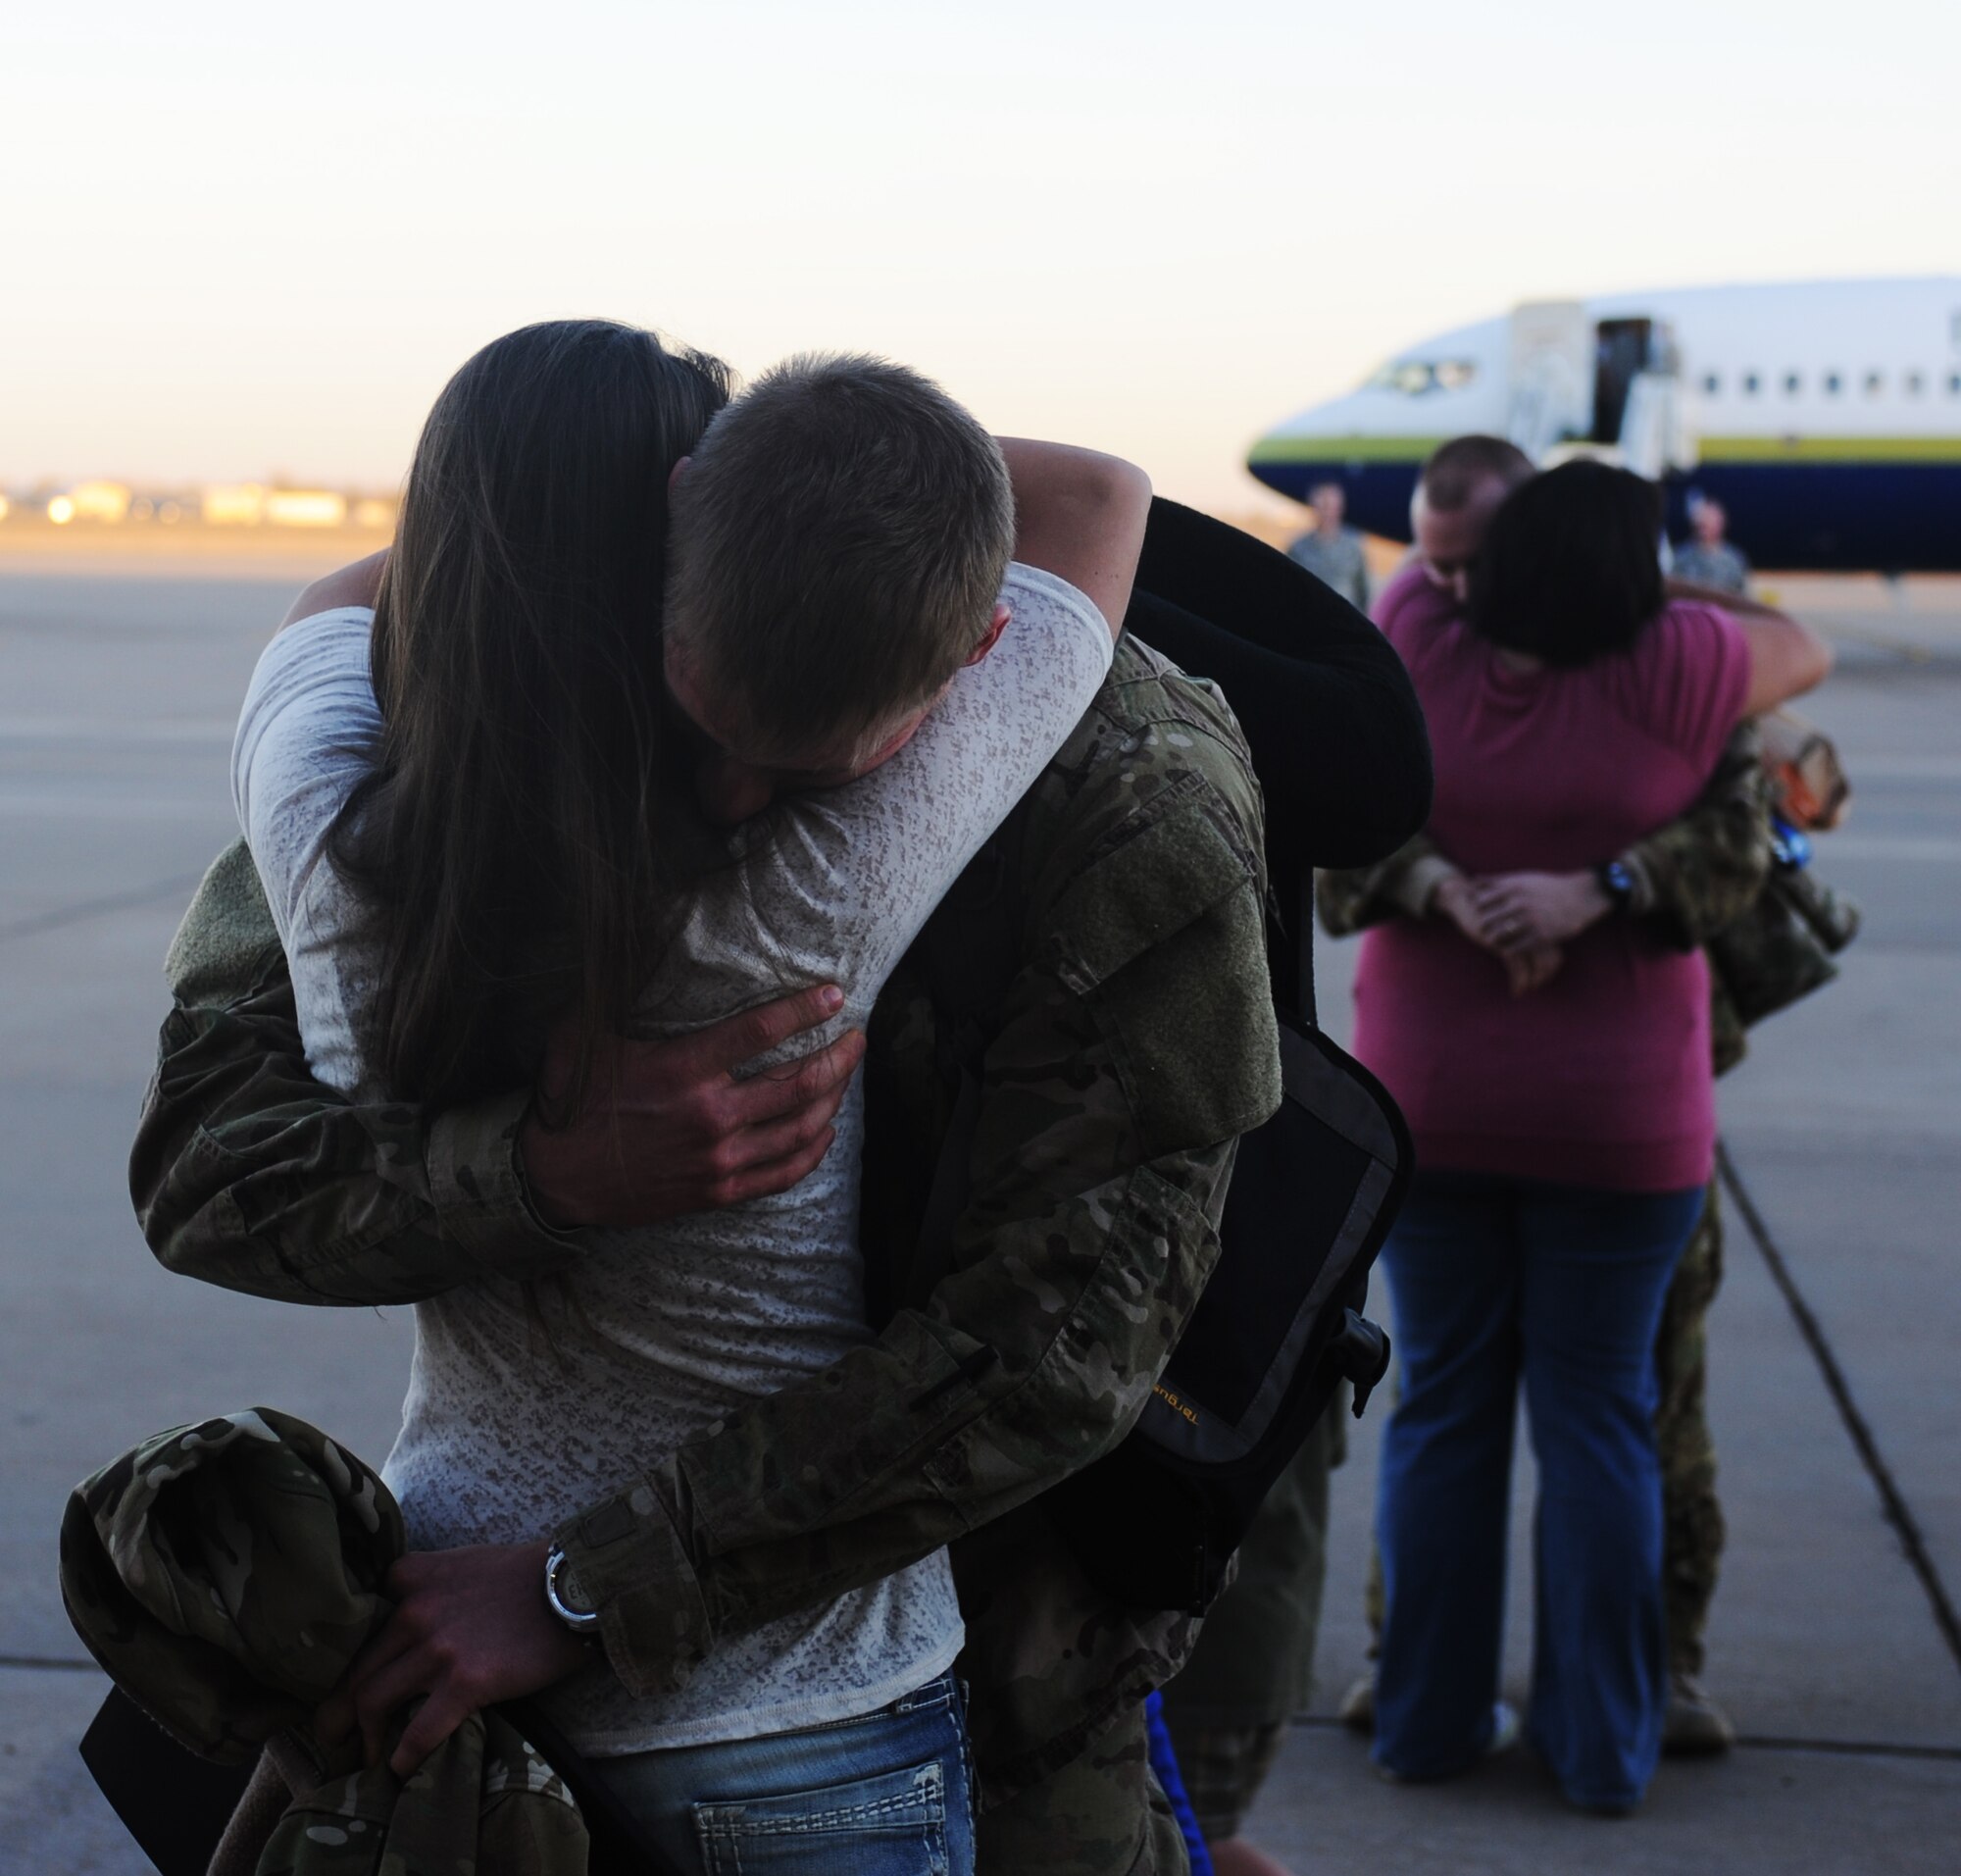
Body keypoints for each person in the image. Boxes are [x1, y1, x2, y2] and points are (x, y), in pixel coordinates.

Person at [134, 493, 1431, 1871]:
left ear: (977, 655)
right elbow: (212, 1160)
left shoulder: (1123, 781)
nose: (729, 798)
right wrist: (541, 1172)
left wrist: (593, 1585)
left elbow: (1064, 1343)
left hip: (1021, 1624)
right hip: (537, 1646)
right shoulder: (505, 689)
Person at [226, 323, 1163, 1872]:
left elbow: (330, 608)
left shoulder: (331, 845)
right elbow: (1097, 497)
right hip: (805, 1725)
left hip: (439, 1685)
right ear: (662, 548)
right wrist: (774, 485)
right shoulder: (812, 892)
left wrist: (540, 530)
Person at [1350, 460, 1829, 1812]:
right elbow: (1802, 657)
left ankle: (1426, 1723)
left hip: (1430, 1100)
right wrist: (1599, 888)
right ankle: (1603, 1745)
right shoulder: (1680, 661)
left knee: (1441, 1409)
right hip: (1623, 1115)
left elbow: (1353, 823)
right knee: (1606, 1422)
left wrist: (1450, 888)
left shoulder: (1414, 634)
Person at [1285, 481, 1369, 610]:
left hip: (1345, 622)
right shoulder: (1298, 548)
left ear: (1339, 508)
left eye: (1331, 506)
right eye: (1322, 506)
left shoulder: (1353, 546)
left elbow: (1363, 592)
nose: (1326, 513)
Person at [1673, 495, 1752, 596]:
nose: (1701, 523)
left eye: (1708, 520)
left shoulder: (1734, 560)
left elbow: (1745, 596)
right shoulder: (1681, 557)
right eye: (1700, 520)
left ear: (1720, 524)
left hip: (1724, 610)